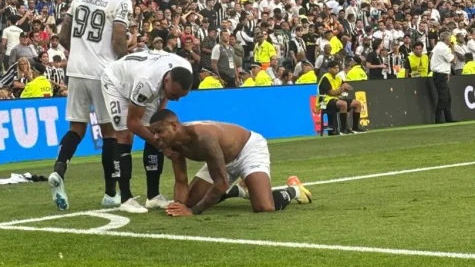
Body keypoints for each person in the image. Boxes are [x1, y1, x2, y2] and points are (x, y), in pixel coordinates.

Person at [49, 0, 140, 211]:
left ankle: (60, 167)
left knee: (76, 128)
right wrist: (126, 62)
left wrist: (81, 53)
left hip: (75, 70)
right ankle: (111, 193)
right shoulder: (121, 2)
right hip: (103, 73)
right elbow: (118, 41)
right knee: (110, 132)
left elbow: (63, 36)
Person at [148, 109, 312, 216]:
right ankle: (241, 190)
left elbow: (221, 183)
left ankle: (294, 190)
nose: (155, 138)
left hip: (247, 150)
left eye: (159, 131)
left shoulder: (203, 138)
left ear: (174, 126)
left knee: (264, 207)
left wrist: (192, 211)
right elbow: (181, 180)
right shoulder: (171, 144)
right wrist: (179, 206)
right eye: (153, 133)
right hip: (220, 160)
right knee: (190, 200)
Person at [100, 50, 193, 213]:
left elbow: (165, 97)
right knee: (124, 135)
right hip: (116, 83)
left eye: (180, 96)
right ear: (166, 80)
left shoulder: (185, 69)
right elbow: (132, 123)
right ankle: (126, 198)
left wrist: (159, 125)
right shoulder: (147, 83)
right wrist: (162, 146)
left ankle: (153, 196)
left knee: (156, 129)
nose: (176, 99)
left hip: (141, 80)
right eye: (174, 94)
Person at [318, 60, 366, 135]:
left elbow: (349, 88)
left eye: (337, 68)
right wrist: (341, 88)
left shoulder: (338, 77)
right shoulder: (325, 78)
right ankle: (344, 129)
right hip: (324, 101)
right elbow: (331, 93)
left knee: (357, 103)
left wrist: (345, 86)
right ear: (329, 69)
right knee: (343, 104)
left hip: (335, 99)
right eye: (335, 68)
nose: (337, 69)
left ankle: (355, 127)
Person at [430, 31, 456, 124]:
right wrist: (452, 48)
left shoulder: (437, 46)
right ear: (447, 39)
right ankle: (438, 119)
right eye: (450, 39)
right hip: (440, 75)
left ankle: (448, 117)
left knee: (447, 97)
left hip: (439, 74)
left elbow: (430, 55)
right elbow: (453, 60)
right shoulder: (444, 48)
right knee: (444, 97)